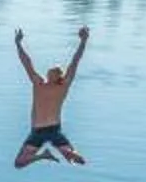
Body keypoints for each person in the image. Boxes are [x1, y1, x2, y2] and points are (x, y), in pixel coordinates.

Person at [13, 26, 90, 167]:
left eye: (52, 70)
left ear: (53, 75)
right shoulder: (63, 86)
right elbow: (75, 61)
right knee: (77, 159)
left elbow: (26, 63)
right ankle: (69, 153)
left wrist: (18, 43)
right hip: (54, 129)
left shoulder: (39, 84)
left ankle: (45, 155)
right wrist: (83, 41)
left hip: (38, 130)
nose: (49, 70)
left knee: (19, 163)